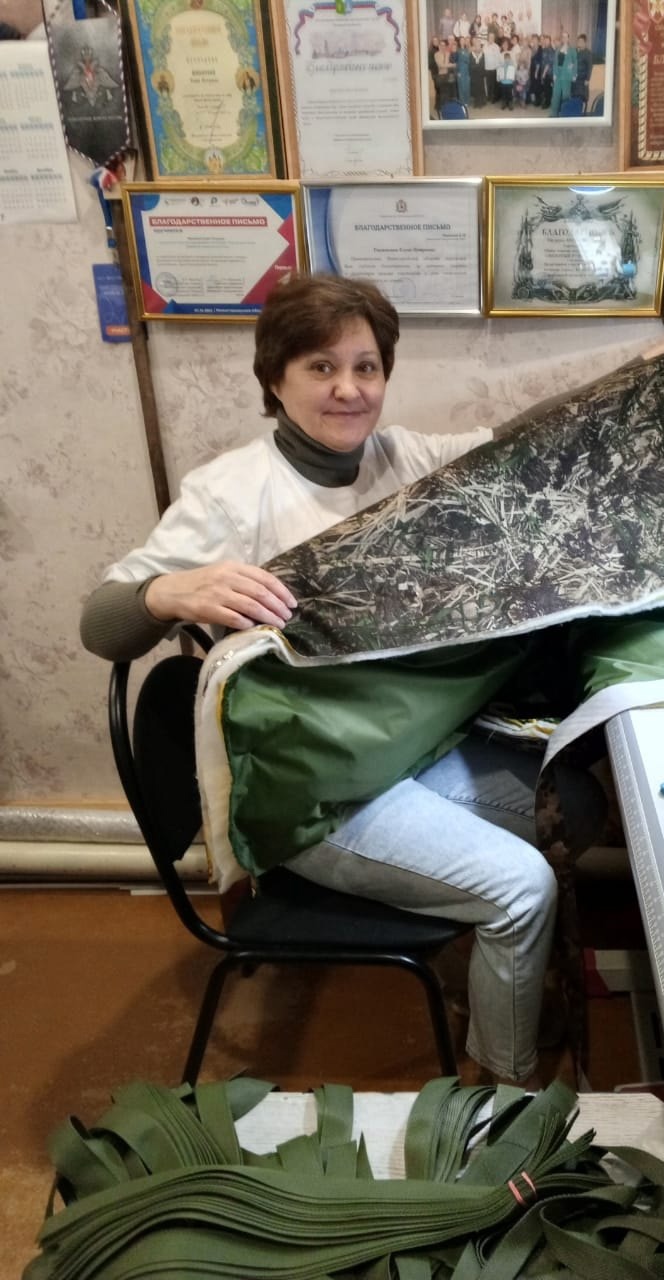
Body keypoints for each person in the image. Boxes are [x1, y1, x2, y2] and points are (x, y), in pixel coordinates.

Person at [80, 273, 565, 1089]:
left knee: (573, 800)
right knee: (522, 887)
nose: (349, 389)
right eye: (320, 367)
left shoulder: (405, 460)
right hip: (306, 787)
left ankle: (479, 971)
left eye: (366, 367)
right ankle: (501, 1095)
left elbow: (528, 442)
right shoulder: (230, 494)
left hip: (396, 747)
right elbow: (100, 624)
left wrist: (652, 367)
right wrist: (168, 592)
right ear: (275, 378)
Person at [572, 33, 592, 104]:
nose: (579, 43)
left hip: (582, 79)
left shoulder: (588, 53)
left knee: (580, 97)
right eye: (578, 41)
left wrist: (587, 79)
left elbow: (590, 67)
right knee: (573, 95)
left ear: (585, 43)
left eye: (581, 41)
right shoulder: (575, 51)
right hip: (574, 78)